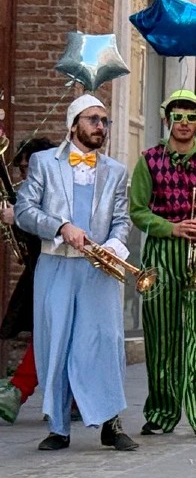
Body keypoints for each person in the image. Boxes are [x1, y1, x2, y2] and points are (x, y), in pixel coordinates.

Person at [14, 96, 137, 451]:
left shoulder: (115, 170)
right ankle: (59, 428)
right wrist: (61, 226)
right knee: (56, 343)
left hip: (99, 270)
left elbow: (121, 219)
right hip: (56, 266)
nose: (101, 126)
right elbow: (25, 211)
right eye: (93, 119)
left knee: (105, 342)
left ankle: (110, 424)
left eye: (105, 121)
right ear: (73, 124)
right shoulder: (43, 164)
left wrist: (114, 245)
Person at [130, 89, 196, 438]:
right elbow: (138, 211)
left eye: (191, 117)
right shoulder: (148, 160)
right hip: (162, 251)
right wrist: (171, 227)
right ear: (167, 119)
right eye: (178, 116)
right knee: (162, 335)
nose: (185, 123)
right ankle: (162, 411)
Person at [0, 136, 57, 424]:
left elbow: (53, 227)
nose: (25, 175)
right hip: (40, 269)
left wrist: (18, 218)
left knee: (49, 334)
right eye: (21, 170)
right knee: (47, 334)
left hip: (58, 268)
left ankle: (20, 389)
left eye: (28, 168)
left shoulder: (56, 188)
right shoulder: (32, 190)